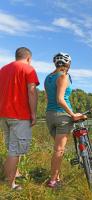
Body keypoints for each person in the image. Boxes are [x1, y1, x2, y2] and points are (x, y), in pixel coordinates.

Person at [0, 47, 39, 190]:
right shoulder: (28, 69)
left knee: (11, 147)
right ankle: (10, 184)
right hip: (19, 116)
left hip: (4, 115)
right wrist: (33, 114)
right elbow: (32, 91)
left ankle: (13, 174)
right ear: (28, 58)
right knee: (15, 151)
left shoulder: (3, 69)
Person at [44, 52, 85, 188]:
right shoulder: (63, 76)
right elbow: (60, 99)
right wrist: (73, 114)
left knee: (57, 149)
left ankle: (57, 177)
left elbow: (49, 98)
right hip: (62, 116)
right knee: (59, 150)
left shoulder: (48, 77)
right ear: (68, 64)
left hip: (49, 115)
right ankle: (53, 181)